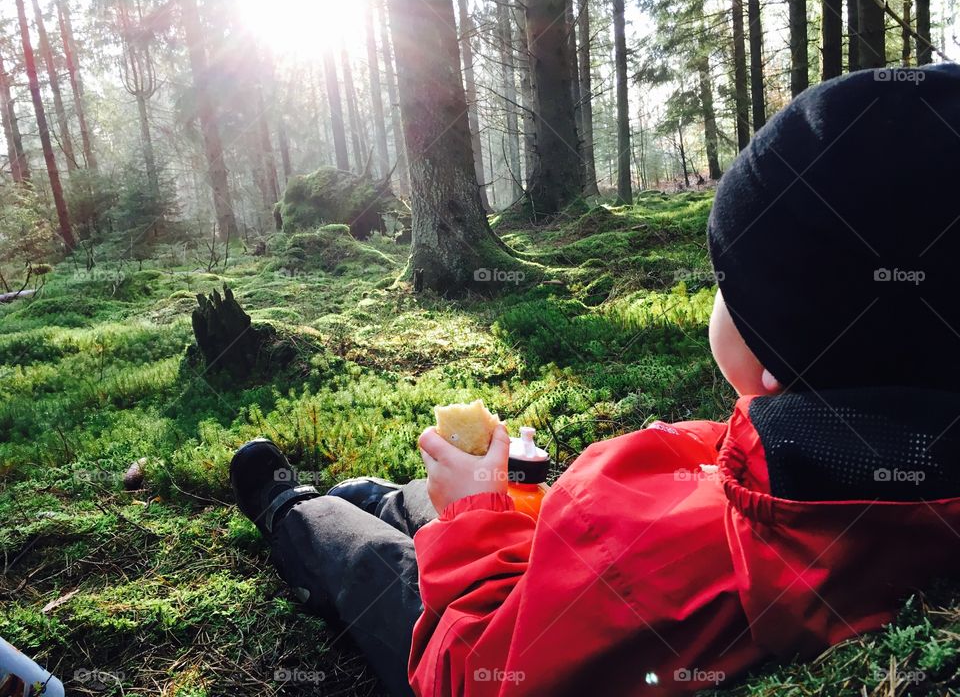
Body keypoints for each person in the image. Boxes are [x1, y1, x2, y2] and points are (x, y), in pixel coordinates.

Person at [230, 64, 960, 696]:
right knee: (427, 500)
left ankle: (290, 512)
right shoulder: (867, 466)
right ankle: (392, 502)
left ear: (775, 359)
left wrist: (479, 520)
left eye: (724, 281)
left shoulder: (665, 560)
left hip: (488, 620)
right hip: (560, 571)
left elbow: (474, 670)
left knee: (373, 567)